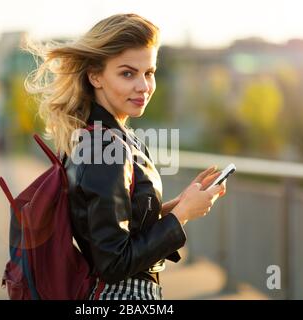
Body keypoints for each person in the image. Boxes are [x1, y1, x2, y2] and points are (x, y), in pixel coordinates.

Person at [25, 13, 227, 300]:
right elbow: (113, 262)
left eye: (149, 72)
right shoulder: (106, 149)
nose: (143, 86)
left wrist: (175, 207)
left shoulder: (104, 136)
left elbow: (118, 225)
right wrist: (181, 216)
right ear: (95, 75)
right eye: (127, 73)